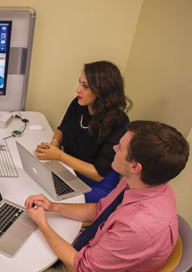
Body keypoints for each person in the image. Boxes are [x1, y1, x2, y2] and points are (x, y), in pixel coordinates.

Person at [26, 121, 189, 271]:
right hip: (93, 249)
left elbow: (83, 267)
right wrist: (53, 207)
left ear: (135, 167)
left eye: (120, 147)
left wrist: (43, 224)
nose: (114, 148)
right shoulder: (142, 182)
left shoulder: (137, 226)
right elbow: (101, 209)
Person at [35, 61, 132, 202]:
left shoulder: (119, 121)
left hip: (95, 184)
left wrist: (59, 155)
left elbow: (98, 174)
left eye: (85, 86)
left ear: (102, 91)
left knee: (44, 197)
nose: (78, 90)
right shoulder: (79, 103)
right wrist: (54, 144)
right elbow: (62, 128)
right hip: (69, 170)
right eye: (80, 83)